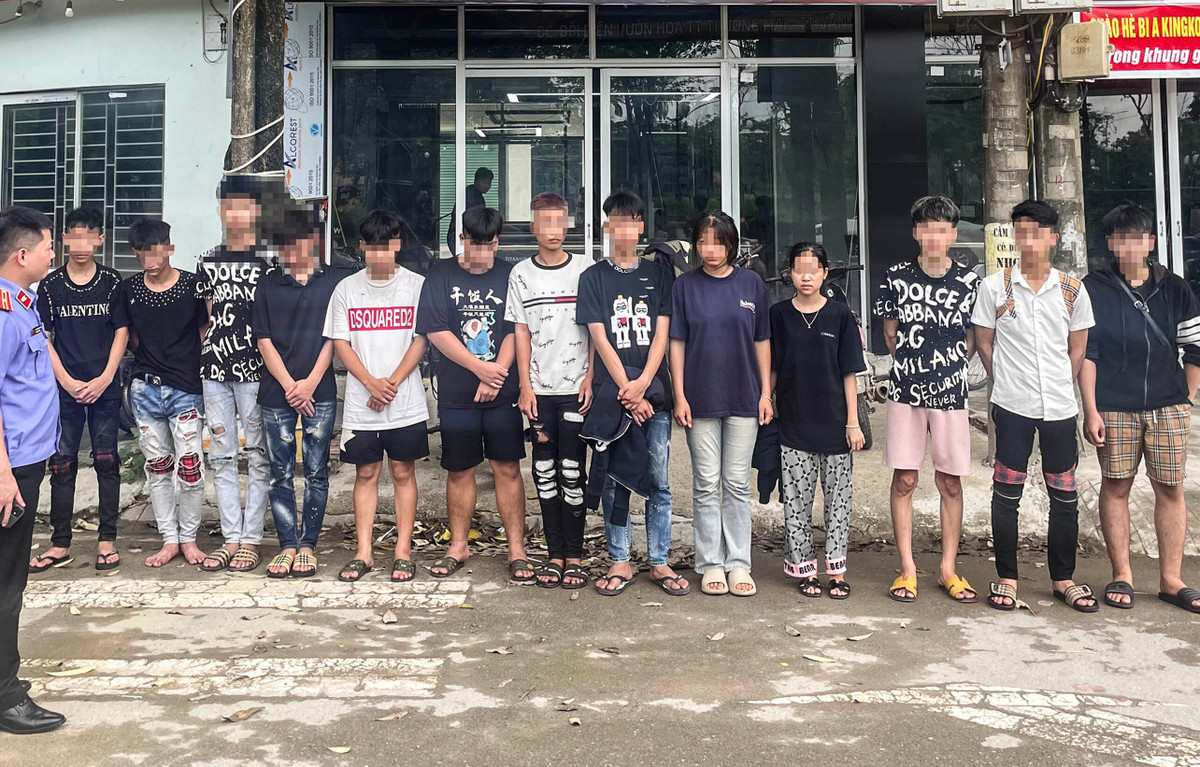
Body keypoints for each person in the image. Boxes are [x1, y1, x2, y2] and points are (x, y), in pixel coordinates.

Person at [973, 199, 1097, 613]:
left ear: (1053, 238)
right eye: (1021, 232)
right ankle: (1007, 578)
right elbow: (985, 343)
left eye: (1037, 232)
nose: (1028, 240)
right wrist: (1006, 380)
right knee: (1006, 493)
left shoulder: (1072, 290)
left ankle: (1063, 578)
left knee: (1064, 495)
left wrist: (1061, 383)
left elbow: (1078, 349)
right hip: (1012, 406)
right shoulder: (995, 287)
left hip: (1060, 408)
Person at [1081, 202, 1200, 614]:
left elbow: (1195, 346)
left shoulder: (1175, 288)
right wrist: (1091, 409)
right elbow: (1088, 353)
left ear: (1150, 242)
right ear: (1110, 243)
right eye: (1120, 239)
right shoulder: (1094, 288)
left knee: (1170, 488)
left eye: (1137, 238)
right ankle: (1123, 574)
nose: (1129, 246)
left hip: (1168, 406)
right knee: (1116, 485)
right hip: (1114, 406)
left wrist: (1186, 397)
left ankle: (1171, 579)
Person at [577, 191, 689, 597]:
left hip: (654, 395)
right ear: (606, 226)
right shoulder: (592, 277)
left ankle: (659, 561)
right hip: (614, 396)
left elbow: (663, 334)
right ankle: (620, 559)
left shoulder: (660, 275)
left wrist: (643, 386)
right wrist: (628, 389)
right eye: (616, 221)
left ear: (641, 226)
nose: (623, 228)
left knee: (659, 481)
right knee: (614, 480)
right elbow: (598, 337)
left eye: (631, 220)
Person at [418, 207, 535, 583]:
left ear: (498, 243)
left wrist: (495, 374)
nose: (483, 254)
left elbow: (516, 328)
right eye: (476, 246)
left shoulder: (510, 274)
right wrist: (478, 368)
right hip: (457, 393)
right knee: (459, 470)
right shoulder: (440, 274)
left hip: (502, 393)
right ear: (462, 239)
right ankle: (458, 545)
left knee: (507, 468)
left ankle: (516, 548)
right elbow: (436, 331)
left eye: (491, 246)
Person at [874, 196, 979, 605]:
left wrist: (947, 368)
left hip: (951, 393)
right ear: (915, 233)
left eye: (942, 229)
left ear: (953, 233)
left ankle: (949, 569)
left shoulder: (969, 282)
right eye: (927, 229)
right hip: (906, 390)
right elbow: (890, 334)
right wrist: (917, 366)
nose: (934, 236)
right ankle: (908, 568)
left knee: (950, 481)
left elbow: (972, 338)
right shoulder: (896, 277)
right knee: (905, 478)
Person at [670, 212, 772, 597]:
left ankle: (739, 563)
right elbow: (676, 343)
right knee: (706, 483)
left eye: (718, 242)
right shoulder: (685, 286)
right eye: (702, 242)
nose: (710, 250)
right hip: (699, 397)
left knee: (737, 483)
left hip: (745, 396)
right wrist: (679, 395)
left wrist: (766, 393)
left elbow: (762, 340)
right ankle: (711, 562)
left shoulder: (751, 283)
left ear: (731, 244)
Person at [325, 210, 430, 583]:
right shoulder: (346, 289)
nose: (379, 254)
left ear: (398, 245)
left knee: (402, 471)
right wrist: (371, 383)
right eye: (372, 247)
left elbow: (421, 339)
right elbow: (340, 343)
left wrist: (391, 384)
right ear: (362, 247)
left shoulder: (417, 286)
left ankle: (403, 551)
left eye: (386, 246)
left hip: (405, 400)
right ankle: (364, 552)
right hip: (361, 402)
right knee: (366, 472)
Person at [29, 207, 126, 573]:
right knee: (62, 462)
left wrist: (105, 377)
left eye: (89, 237)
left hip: (105, 385)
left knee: (106, 459)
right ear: (64, 239)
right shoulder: (50, 286)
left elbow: (122, 332)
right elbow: (43, 337)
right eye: (74, 237)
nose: (81, 245)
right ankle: (59, 543)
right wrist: (66, 381)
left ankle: (107, 540)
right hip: (64, 387)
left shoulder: (112, 282)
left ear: (100, 239)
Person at [254, 209, 350, 578]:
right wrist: (290, 385)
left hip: (319, 389)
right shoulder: (269, 283)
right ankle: (287, 545)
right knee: (279, 473)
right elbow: (263, 339)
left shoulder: (334, 282)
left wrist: (309, 382)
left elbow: (334, 337)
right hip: (277, 391)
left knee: (316, 471)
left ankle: (308, 545)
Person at [0, 206, 66, 734]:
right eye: (47, 246)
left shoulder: (24, 301)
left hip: (25, 460)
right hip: (11, 469)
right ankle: (5, 697)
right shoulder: (4, 312)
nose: (53, 253)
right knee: (6, 584)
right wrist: (3, 474)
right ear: (22, 255)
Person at [505, 193, 593, 589]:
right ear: (533, 228)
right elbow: (520, 331)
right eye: (545, 223)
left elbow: (596, 329)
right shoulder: (521, 273)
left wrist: (591, 378)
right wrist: (524, 385)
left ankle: (575, 555)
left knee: (572, 472)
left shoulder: (585, 270)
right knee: (544, 473)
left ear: (569, 225)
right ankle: (553, 554)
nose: (553, 230)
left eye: (560, 222)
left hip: (577, 389)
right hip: (539, 391)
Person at [110, 219, 210, 567]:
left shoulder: (193, 286)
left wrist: (186, 363)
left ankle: (189, 538)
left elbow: (204, 328)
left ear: (169, 248)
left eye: (155, 252)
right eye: (141, 253)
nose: (149, 260)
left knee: (191, 466)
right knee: (157, 467)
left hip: (186, 388)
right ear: (135, 254)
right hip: (146, 389)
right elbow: (129, 336)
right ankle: (169, 539)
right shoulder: (129, 290)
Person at [771, 242, 866, 599]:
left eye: (813, 269)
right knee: (796, 502)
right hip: (793, 424)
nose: (806, 276)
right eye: (799, 270)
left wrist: (853, 423)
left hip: (835, 426)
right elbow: (773, 366)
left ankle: (837, 571)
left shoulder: (840, 315)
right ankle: (805, 570)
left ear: (825, 273)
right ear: (790, 274)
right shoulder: (779, 315)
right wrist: (766, 399)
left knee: (838, 502)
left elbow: (849, 372)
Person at [198, 176, 272, 574]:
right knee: (222, 456)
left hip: (256, 371)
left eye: (245, 207)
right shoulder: (206, 260)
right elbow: (206, 318)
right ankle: (230, 537)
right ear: (220, 212)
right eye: (230, 207)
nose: (237, 215)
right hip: (214, 370)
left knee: (258, 455)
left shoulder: (270, 262)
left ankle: (251, 538)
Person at [446, 168, 494, 253]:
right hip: (459, 236)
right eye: (485, 182)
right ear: (477, 181)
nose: (488, 186)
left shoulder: (474, 194)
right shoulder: (472, 195)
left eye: (489, 183)